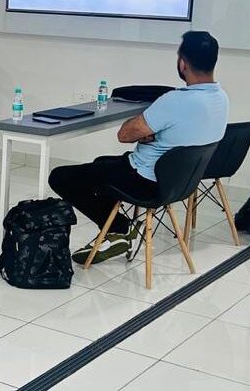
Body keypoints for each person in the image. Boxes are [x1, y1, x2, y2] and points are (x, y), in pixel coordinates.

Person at [49, 31, 229, 265]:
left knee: (61, 177)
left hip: (144, 179)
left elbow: (124, 134)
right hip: (181, 182)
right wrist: (157, 133)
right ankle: (117, 232)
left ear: (183, 63)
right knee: (100, 165)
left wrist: (148, 130)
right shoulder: (221, 98)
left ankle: (121, 228)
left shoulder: (174, 100)